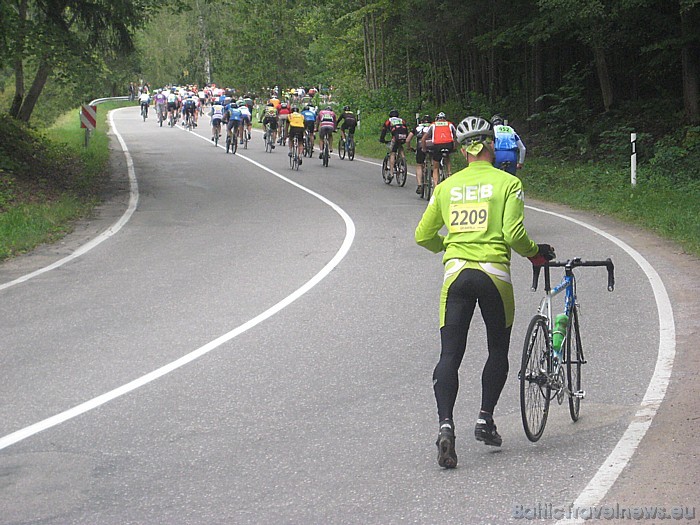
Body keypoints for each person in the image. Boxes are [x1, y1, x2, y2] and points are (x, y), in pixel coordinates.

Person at [414, 115, 555, 469]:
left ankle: (446, 426)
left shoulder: (446, 187)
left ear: (463, 152)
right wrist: (536, 253)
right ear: (491, 146)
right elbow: (512, 234)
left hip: (457, 274)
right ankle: (484, 418)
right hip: (494, 274)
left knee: (450, 355)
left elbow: (422, 235)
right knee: (497, 350)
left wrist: (451, 245)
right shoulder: (508, 184)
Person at [420, 112, 458, 188]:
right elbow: (456, 136)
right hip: (449, 144)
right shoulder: (450, 124)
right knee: (447, 156)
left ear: (437, 119)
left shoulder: (433, 125)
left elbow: (423, 139)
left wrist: (424, 149)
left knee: (435, 168)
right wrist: (454, 147)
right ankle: (449, 173)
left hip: (437, 145)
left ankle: (436, 187)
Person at [406, 114, 432, 195]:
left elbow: (408, 140)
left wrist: (409, 147)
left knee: (419, 165)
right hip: (432, 145)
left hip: (420, 146)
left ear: (422, 121)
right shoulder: (433, 126)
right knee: (434, 162)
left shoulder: (417, 127)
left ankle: (419, 185)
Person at [379, 109, 409, 180]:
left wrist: (382, 139)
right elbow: (406, 129)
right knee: (400, 146)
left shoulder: (389, 121)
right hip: (404, 136)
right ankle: (403, 158)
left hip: (396, 137)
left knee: (392, 152)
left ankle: (391, 173)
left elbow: (384, 131)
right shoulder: (402, 120)